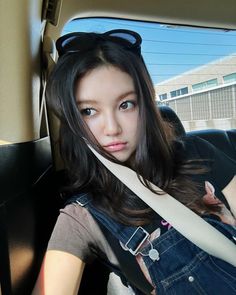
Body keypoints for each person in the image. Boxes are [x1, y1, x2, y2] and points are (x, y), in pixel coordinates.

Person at [33, 29, 236, 295]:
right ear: (72, 121)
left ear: (146, 106)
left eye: (126, 104)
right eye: (89, 111)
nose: (111, 128)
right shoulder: (82, 216)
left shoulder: (197, 153)